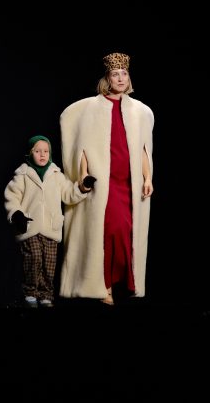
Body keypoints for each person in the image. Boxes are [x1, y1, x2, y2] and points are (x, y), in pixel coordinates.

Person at [59, 52, 154, 306]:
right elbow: (83, 145)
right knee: (107, 231)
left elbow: (143, 150)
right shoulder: (91, 108)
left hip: (128, 185)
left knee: (126, 234)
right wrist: (84, 174)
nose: (120, 78)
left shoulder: (140, 111)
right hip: (106, 183)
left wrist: (147, 178)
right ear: (107, 78)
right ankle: (105, 287)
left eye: (124, 73)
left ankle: (122, 284)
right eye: (115, 74)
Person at [4, 135, 96, 308]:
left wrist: (83, 187)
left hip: (51, 227)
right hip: (30, 226)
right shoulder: (22, 174)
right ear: (30, 153)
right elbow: (12, 196)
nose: (42, 155)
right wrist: (16, 214)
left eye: (46, 151)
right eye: (37, 151)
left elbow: (68, 193)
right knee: (34, 258)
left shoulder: (56, 174)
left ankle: (46, 295)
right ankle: (30, 293)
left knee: (49, 263)